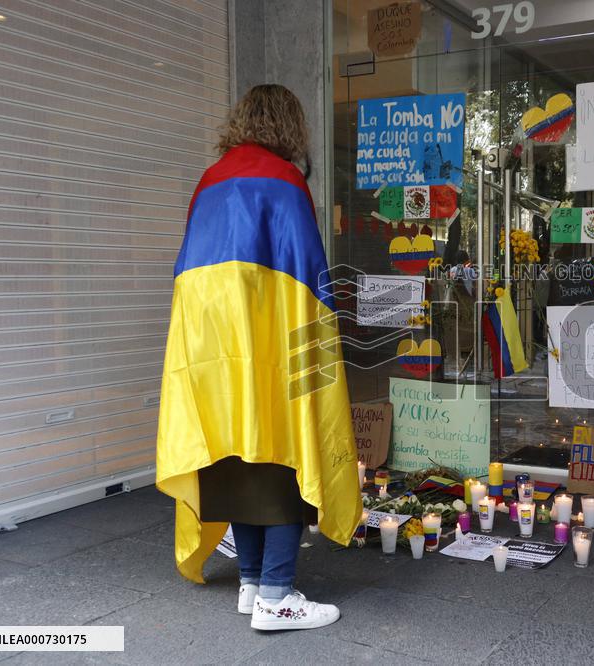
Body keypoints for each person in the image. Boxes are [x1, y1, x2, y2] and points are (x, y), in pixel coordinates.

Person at [155, 85, 361, 632]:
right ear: (290, 126)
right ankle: (276, 594)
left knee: (233, 450)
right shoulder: (285, 182)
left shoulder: (210, 181)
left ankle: (250, 580)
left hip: (209, 347)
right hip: (271, 339)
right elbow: (308, 280)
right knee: (283, 447)